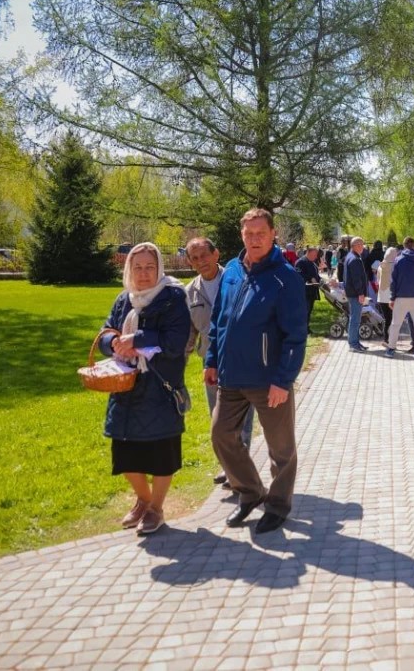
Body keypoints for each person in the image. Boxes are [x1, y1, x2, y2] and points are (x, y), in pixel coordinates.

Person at [205, 208, 308, 534]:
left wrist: (283, 379)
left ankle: (277, 505)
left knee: (281, 449)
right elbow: (220, 319)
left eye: (260, 233)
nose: (254, 239)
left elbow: (296, 334)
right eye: (248, 234)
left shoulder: (285, 277)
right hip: (231, 376)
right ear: (241, 235)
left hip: (269, 381)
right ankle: (250, 492)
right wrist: (211, 359)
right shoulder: (233, 270)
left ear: (273, 234)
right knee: (220, 435)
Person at [98, 242, 190, 536]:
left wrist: (136, 340)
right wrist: (113, 343)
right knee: (125, 454)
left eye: (150, 267)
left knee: (161, 454)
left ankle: (156, 509)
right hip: (126, 389)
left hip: (160, 387)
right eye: (137, 267)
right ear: (129, 270)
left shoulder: (173, 297)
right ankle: (144, 499)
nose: (144, 273)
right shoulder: (123, 299)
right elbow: (105, 332)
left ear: (159, 267)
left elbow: (176, 341)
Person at [184, 237, 252, 487]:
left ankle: (241, 473)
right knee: (219, 419)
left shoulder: (237, 280)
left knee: (243, 418)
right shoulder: (189, 292)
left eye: (204, 255)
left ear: (216, 254)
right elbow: (189, 332)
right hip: (211, 364)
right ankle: (228, 467)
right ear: (191, 263)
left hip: (240, 360)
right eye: (195, 258)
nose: (201, 261)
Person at [385, 237, 414, 359]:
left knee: (396, 324)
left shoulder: (398, 260)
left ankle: (391, 348)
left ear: (404, 245)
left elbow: (393, 281)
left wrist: (392, 297)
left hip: (401, 297)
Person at [343, 237, 370, 352]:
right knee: (355, 319)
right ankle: (353, 344)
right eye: (361, 244)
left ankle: (355, 342)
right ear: (356, 245)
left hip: (352, 293)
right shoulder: (354, 259)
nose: (363, 247)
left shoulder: (352, 257)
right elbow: (356, 279)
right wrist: (360, 293)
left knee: (355, 318)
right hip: (355, 294)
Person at [295, 246, 322, 335]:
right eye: (314, 254)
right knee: (304, 311)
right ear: (309, 253)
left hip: (312, 291)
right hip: (304, 292)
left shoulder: (312, 263)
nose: (316, 256)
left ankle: (306, 328)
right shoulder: (300, 262)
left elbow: (315, 275)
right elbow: (298, 275)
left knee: (309, 310)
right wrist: (310, 279)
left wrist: (320, 280)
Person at [376, 246, 398, 345]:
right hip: (392, 296)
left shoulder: (380, 265)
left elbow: (377, 281)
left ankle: (386, 338)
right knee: (393, 319)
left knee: (386, 318)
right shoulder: (396, 265)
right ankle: (391, 339)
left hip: (381, 296)